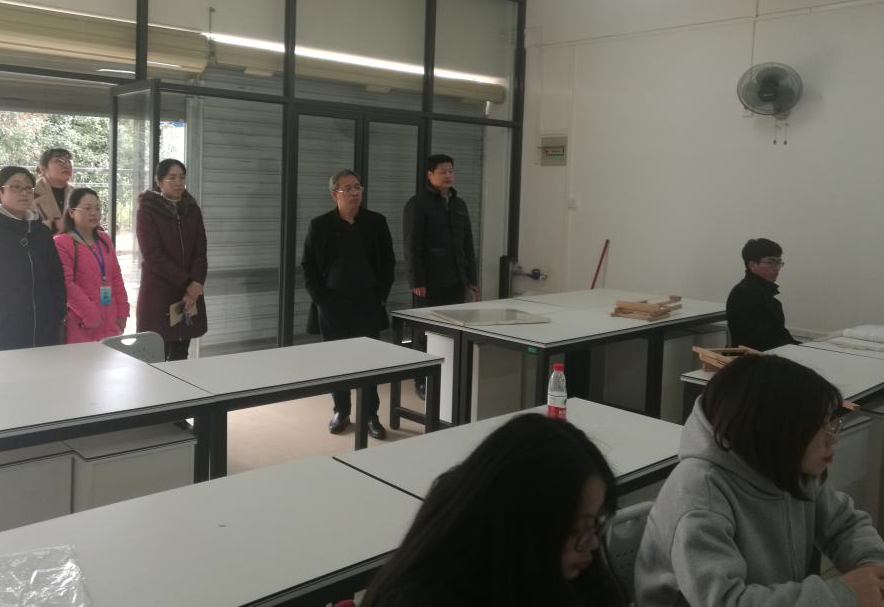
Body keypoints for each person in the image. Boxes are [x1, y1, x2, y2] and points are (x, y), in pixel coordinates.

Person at [635, 354, 884, 606]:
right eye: (820, 427)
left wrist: (874, 570)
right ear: (777, 431)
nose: (833, 438)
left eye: (832, 423)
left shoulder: (788, 465)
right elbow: (726, 601)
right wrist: (842, 596)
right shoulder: (700, 496)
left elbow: (843, 526)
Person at [361, 413, 622, 607]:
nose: (592, 543)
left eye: (593, 524)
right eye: (576, 528)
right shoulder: (426, 597)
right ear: (520, 524)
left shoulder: (567, 568)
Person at [302, 170, 395, 440]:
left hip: (368, 301)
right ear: (335, 194)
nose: (355, 192)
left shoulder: (376, 222)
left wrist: (380, 296)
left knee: (370, 361)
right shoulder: (320, 225)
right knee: (337, 361)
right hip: (332, 304)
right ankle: (341, 411)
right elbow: (308, 265)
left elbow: (388, 262)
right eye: (348, 188)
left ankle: (371, 415)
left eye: (358, 187)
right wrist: (320, 298)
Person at [0, 165, 66, 352]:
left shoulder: (41, 232)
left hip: (45, 330)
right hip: (2, 335)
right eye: (16, 187)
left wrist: (55, 313)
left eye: (28, 188)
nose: (24, 192)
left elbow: (56, 276)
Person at [403, 153, 479, 398]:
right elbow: (411, 246)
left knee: (453, 330)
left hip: (456, 279)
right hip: (430, 282)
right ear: (430, 174)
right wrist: (417, 280)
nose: (448, 175)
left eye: (450, 171)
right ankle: (421, 381)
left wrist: (471, 278)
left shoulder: (458, 204)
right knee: (424, 333)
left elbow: (467, 244)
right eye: (442, 171)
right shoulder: (418, 204)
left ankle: (448, 377)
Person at [135, 159, 207, 361]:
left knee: (181, 355)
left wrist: (196, 284)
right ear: (159, 182)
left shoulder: (192, 209)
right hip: (160, 293)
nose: (178, 183)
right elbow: (153, 256)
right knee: (157, 357)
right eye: (172, 178)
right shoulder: (147, 211)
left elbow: (200, 251)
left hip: (188, 296)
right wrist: (188, 283)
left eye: (182, 177)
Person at [53, 188, 130, 343]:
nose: (94, 213)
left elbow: (116, 277)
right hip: (81, 324)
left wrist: (122, 312)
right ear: (71, 212)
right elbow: (66, 285)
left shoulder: (104, 239)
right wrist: (90, 315)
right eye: (87, 208)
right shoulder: (62, 243)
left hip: (110, 321)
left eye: (97, 208)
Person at [726, 237, 797, 350]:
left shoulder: (766, 294)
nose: (777, 268)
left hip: (772, 352)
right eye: (771, 262)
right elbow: (758, 341)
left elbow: (780, 334)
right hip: (753, 357)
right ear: (752, 265)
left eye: (779, 262)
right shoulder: (743, 294)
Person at [33, 147, 75, 234]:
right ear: (43, 169)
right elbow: (24, 225)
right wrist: (55, 225)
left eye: (68, 161)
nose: (66, 165)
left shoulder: (76, 194)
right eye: (58, 161)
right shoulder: (30, 193)